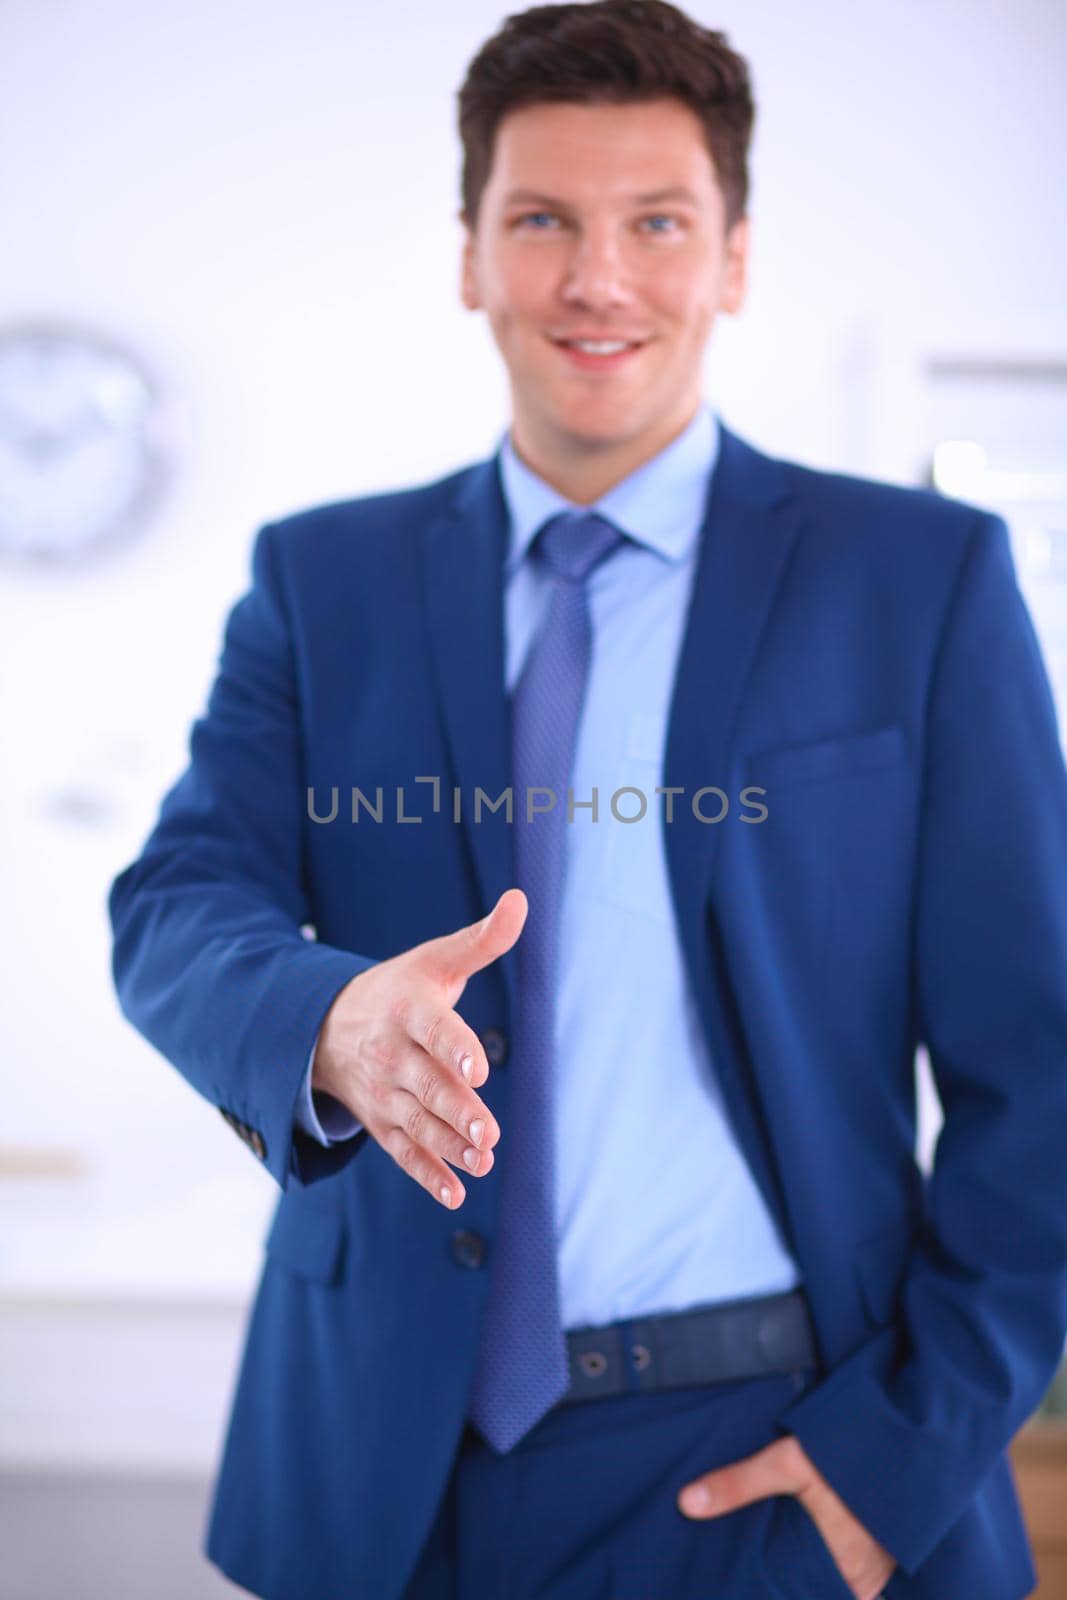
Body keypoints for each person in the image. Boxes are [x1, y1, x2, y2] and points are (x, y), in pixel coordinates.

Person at [107, 3, 1067, 1597]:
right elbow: (175, 903)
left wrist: (899, 1449)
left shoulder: (920, 583)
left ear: (735, 259)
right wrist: (328, 1020)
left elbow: (1042, 1066)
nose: (598, 278)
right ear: (471, 254)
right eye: (542, 219)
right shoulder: (321, 580)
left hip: (784, 1460)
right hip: (392, 1484)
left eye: (658, 224)